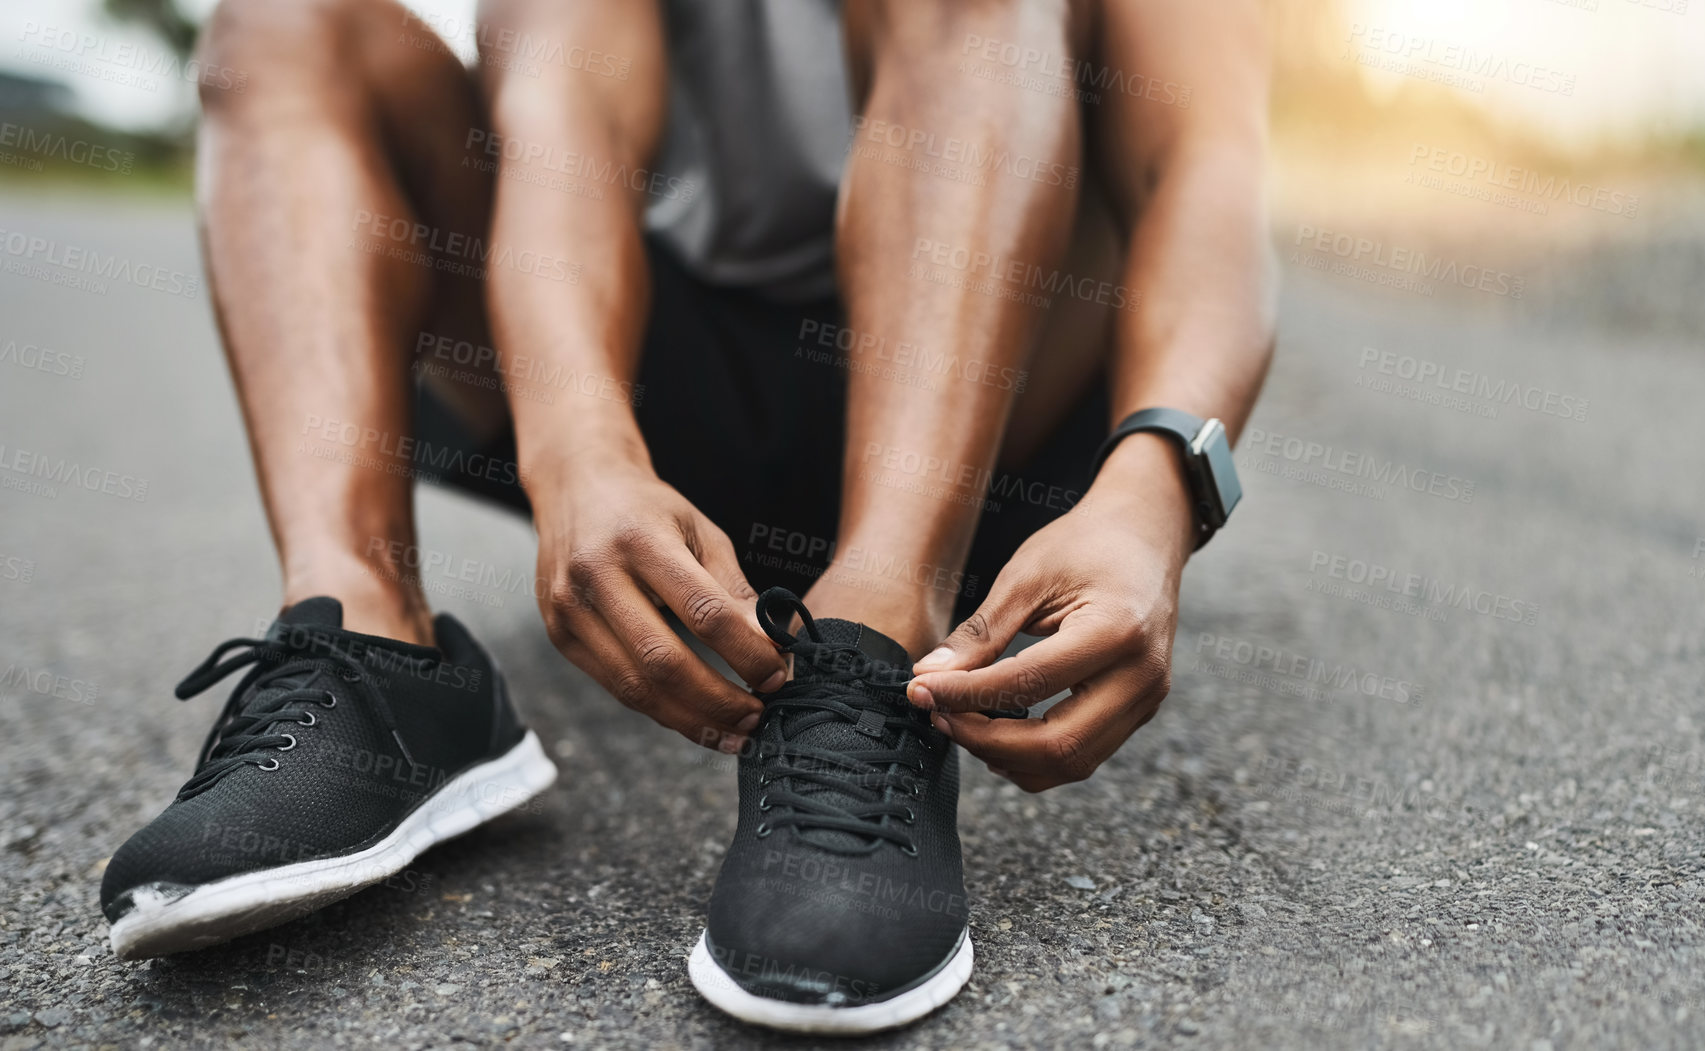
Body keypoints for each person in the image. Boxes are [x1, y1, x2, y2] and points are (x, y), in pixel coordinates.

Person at [99, 0, 1276, 1033]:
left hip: (975, 412)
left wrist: (1157, 486)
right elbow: (563, 124)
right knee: (281, 25)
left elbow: (1206, 168)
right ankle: (368, 638)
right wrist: (575, 446)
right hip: (659, 402)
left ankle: (874, 633)